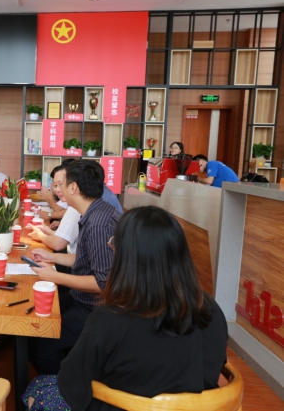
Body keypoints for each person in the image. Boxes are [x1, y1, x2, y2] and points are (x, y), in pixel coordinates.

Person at [23, 206, 228, 411]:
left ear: (127, 257)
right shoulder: (211, 309)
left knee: (38, 388)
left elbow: (71, 381)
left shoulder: (111, 316)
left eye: (114, 244)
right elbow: (215, 369)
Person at [29, 160, 122, 375]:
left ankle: (64, 389)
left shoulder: (98, 223)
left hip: (95, 308)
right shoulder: (96, 212)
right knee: (38, 313)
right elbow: (86, 259)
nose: (58, 190)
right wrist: (51, 256)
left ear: (73, 187)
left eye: (61, 184)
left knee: (42, 342)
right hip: (83, 298)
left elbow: (103, 282)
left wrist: (54, 276)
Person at [26, 165, 80, 254]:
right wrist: (46, 230)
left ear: (73, 184)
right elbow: (64, 239)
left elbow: (58, 244)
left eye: (61, 184)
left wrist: (40, 235)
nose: (57, 190)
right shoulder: (74, 205)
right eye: (55, 185)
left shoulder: (75, 208)